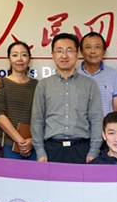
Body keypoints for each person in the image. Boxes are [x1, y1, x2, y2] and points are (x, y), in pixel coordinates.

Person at [31, 33, 103, 164]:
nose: (64, 56)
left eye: (69, 51)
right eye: (59, 51)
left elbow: (96, 119)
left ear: (77, 54)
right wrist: (40, 151)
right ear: (53, 55)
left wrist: (93, 151)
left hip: (82, 149)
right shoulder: (43, 85)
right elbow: (37, 120)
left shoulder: (89, 84)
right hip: (51, 150)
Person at [0, 41, 38, 160]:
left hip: (32, 146)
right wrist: (20, 141)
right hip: (8, 146)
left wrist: (32, 141)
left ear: (29, 59)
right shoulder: (1, 83)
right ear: (9, 59)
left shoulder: (37, 85)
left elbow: (41, 116)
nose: (19, 59)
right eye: (15, 55)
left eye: (24, 55)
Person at [78, 32, 117, 115]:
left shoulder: (114, 75)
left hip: (106, 123)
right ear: (81, 51)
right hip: (80, 123)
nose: (93, 51)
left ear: (104, 51)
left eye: (97, 47)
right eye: (88, 47)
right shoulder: (74, 74)